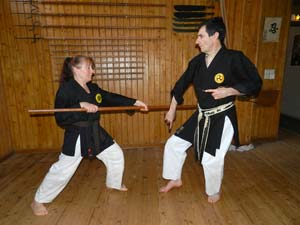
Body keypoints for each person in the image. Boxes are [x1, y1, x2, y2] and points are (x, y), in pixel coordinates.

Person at [159, 17, 262, 203]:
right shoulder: (197, 62)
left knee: (211, 158)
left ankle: (214, 190)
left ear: (215, 36)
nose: (196, 41)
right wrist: (172, 109)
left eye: (201, 36)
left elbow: (255, 83)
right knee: (173, 144)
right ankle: (175, 179)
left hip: (223, 116)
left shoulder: (234, 58)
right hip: (201, 114)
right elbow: (181, 85)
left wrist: (230, 90)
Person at [31, 55, 148, 216]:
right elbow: (60, 117)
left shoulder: (93, 88)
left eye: (92, 68)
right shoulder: (66, 90)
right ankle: (38, 200)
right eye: (89, 67)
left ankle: (113, 183)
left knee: (115, 155)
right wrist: (79, 105)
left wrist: (134, 102)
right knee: (63, 170)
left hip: (95, 131)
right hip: (77, 134)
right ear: (76, 69)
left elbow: (109, 97)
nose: (92, 71)